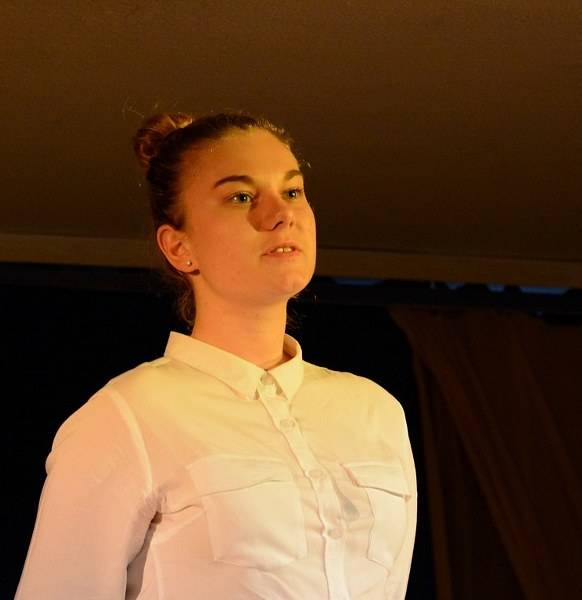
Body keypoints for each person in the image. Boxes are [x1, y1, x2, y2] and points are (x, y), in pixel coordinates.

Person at [15, 111, 417, 599]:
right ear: (179, 247)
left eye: (292, 191)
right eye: (241, 197)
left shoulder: (374, 411)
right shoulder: (130, 415)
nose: (281, 214)